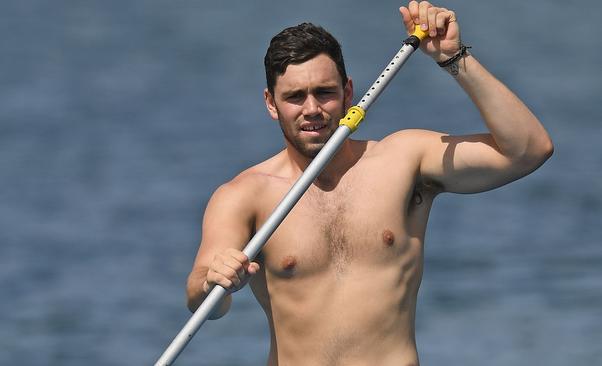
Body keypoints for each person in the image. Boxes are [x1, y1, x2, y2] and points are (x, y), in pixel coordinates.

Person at [185, 1, 553, 365]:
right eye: (295, 97)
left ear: (348, 92)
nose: (312, 109)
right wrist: (213, 283)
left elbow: (528, 150)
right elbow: (202, 299)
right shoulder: (244, 195)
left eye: (324, 92)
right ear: (271, 103)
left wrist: (454, 59)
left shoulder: (404, 160)